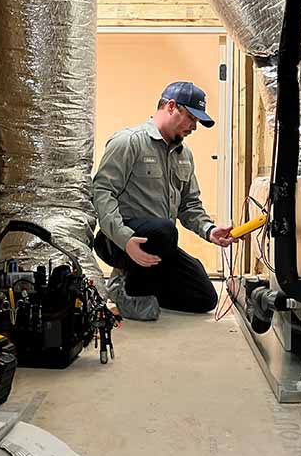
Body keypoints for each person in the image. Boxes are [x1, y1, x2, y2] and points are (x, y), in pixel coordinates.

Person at [92, 81, 235, 315]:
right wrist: (126, 239)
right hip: (118, 241)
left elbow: (190, 205)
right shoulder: (129, 142)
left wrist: (209, 230)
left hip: (160, 243)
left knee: (205, 298)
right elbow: (102, 192)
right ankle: (129, 290)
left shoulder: (183, 154)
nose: (194, 127)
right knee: (165, 229)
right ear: (171, 106)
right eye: (191, 118)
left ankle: (135, 284)